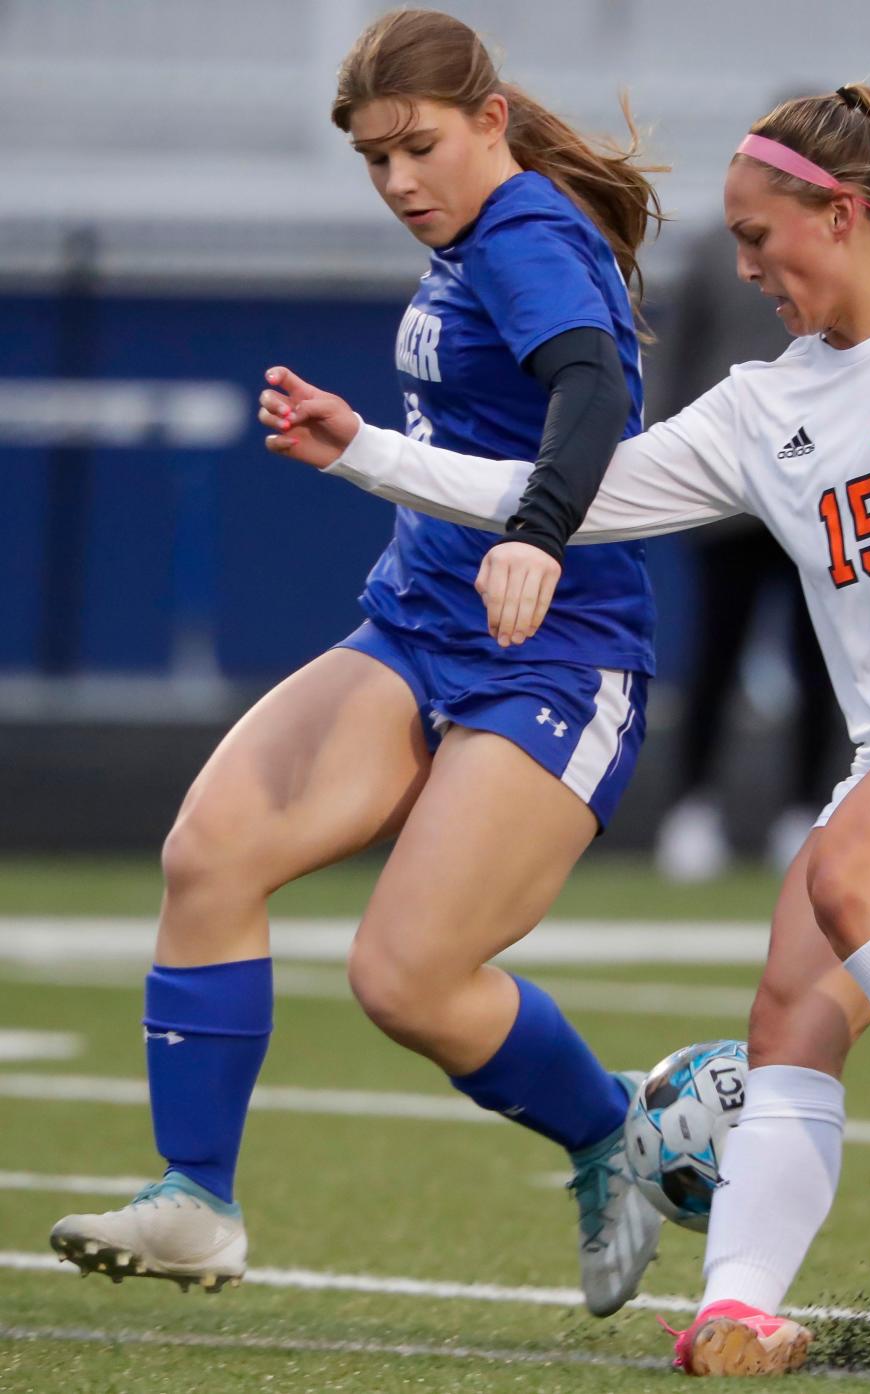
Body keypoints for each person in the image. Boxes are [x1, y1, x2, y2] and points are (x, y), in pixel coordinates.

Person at [254, 81, 870, 1375]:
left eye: (761, 236)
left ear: (850, 213)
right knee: (788, 1016)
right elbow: (563, 496)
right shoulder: (761, 407)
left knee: (847, 871)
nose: (743, 264)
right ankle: (739, 1305)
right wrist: (359, 445)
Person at [49, 8, 668, 1318]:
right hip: (416, 625)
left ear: (489, 122)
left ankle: (620, 1132)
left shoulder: (531, 233)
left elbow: (592, 396)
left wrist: (540, 538)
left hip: (551, 657)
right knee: (209, 855)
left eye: (416, 148)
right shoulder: (469, 233)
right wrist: (360, 442)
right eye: (373, 160)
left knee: (406, 977)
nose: (395, 183)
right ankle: (196, 1198)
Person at [647, 216, 845, 881]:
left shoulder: (866, 245)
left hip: (824, 485)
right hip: (733, 486)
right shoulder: (716, 247)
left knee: (820, 657)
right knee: (716, 650)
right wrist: (667, 458)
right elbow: (678, 354)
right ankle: (693, 810)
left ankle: (805, 813)